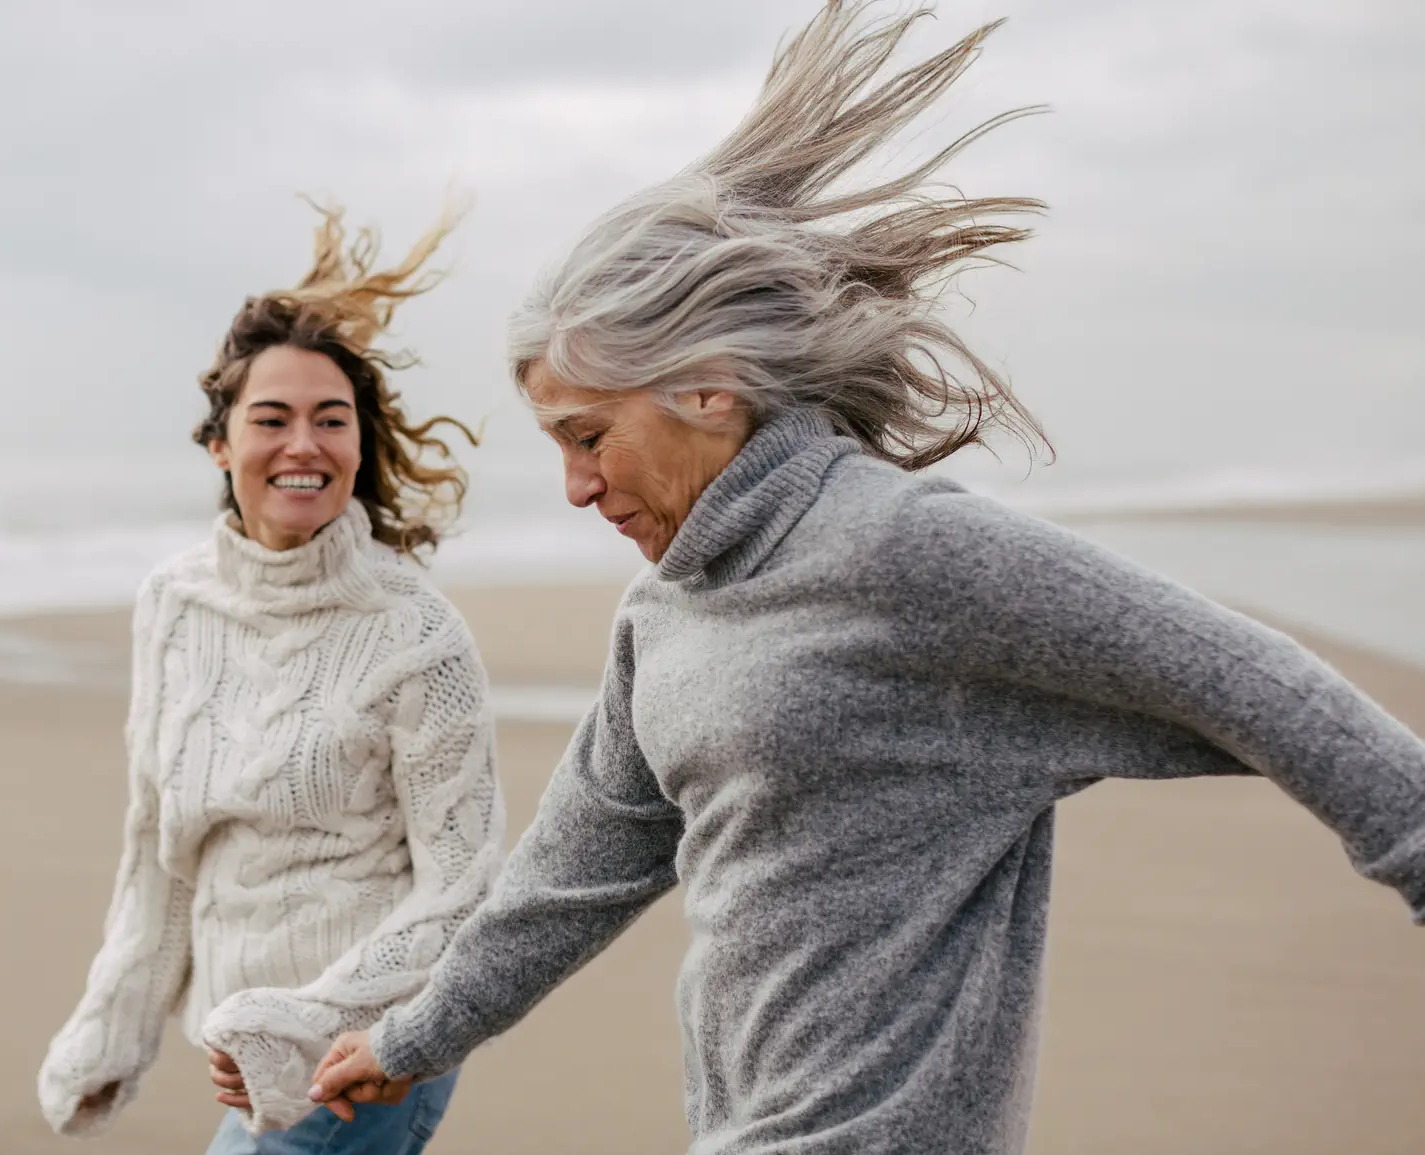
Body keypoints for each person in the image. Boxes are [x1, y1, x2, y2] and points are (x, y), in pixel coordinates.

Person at [264, 4, 1425, 1154]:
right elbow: (574, 870)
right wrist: (417, 1032)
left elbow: (1239, 678)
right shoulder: (664, 614)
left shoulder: (905, 553)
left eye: (587, 436)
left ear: (705, 389)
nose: (577, 486)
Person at [37, 202, 505, 1155]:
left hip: (366, 1054)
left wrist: (306, 1020)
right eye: (272, 418)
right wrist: (111, 1026)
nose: (304, 444)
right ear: (220, 444)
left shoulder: (416, 632)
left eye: (331, 420)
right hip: (248, 1053)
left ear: (359, 446)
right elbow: (158, 845)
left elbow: (463, 888)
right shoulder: (173, 605)